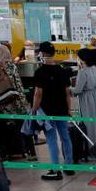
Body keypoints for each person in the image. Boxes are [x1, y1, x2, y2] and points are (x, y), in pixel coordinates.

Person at [31, 41, 74, 181]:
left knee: (51, 139)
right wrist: (68, 109)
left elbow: (38, 93)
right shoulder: (62, 70)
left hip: (47, 111)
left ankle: (55, 169)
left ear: (42, 54)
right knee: (65, 137)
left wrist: (34, 109)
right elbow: (67, 92)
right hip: (62, 109)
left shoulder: (40, 72)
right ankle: (69, 166)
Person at [73, 48, 96, 144]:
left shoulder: (83, 72)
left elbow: (78, 90)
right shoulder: (94, 68)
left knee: (89, 123)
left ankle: (92, 146)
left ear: (82, 59)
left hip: (87, 98)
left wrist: (69, 89)